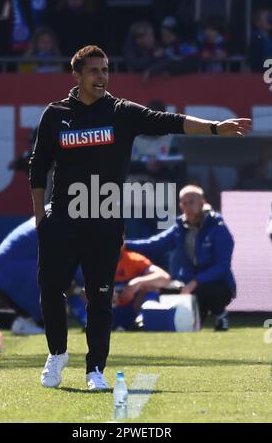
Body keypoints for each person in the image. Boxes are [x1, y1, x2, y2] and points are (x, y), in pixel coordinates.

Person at [29, 44, 251, 391]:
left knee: (101, 297)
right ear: (77, 75)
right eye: (94, 71)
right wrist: (40, 216)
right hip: (62, 219)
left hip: (104, 221)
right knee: (50, 288)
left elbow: (169, 122)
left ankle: (95, 370)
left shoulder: (121, 112)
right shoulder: (55, 115)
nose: (101, 76)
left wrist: (213, 128)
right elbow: (38, 167)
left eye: (105, 70)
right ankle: (57, 354)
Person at [126, 185, 236, 331]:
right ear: (180, 205)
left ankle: (220, 315)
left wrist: (195, 282)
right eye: (184, 203)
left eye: (192, 202)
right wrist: (124, 244)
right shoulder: (180, 228)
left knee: (207, 290)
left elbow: (222, 266)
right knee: (159, 288)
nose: (188, 206)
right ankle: (145, 319)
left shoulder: (218, 228)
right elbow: (153, 245)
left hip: (218, 285)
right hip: (187, 285)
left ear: (202, 203)